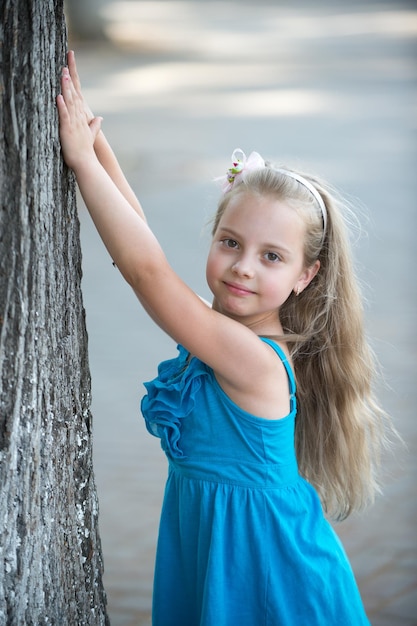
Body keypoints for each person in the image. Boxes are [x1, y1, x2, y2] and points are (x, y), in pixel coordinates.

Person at [57, 51, 392, 626]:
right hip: (218, 544)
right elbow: (143, 242)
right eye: (231, 242)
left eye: (272, 257)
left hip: (266, 568)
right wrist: (96, 145)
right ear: (213, 235)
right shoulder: (228, 331)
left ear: (303, 277)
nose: (243, 267)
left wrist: (81, 164)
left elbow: (147, 273)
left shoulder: (254, 359)